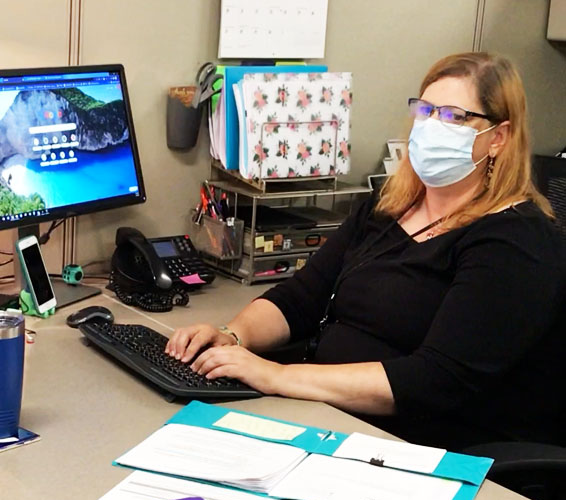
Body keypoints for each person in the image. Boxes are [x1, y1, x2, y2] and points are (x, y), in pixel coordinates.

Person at [166, 52, 566, 451]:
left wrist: (275, 375)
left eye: (453, 117)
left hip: (426, 448)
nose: (430, 127)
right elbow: (301, 298)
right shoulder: (390, 206)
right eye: (425, 111)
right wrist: (233, 337)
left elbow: (432, 382)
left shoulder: (516, 243)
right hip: (331, 417)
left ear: (498, 137)